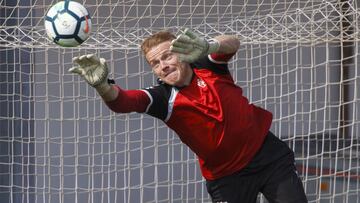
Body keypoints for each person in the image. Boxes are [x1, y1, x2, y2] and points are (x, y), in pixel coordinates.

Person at [69, 28, 308, 203]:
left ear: (182, 53)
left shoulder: (207, 65)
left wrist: (210, 45)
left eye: (167, 56)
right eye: (155, 63)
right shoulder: (162, 98)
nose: (163, 65)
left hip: (267, 157)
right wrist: (102, 86)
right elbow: (122, 101)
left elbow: (233, 43)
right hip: (226, 178)